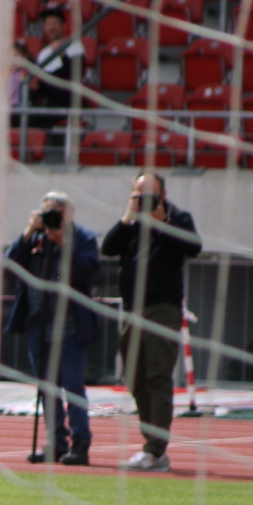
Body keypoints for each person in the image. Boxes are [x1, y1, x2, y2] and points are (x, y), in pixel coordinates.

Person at [101, 170, 201, 473]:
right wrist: (127, 216)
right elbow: (108, 247)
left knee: (158, 376)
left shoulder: (178, 217)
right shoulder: (132, 223)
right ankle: (152, 446)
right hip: (133, 310)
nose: (144, 200)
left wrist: (162, 221)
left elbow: (194, 247)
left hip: (162, 309)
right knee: (135, 377)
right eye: (138, 194)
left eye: (149, 194)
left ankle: (156, 450)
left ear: (163, 195)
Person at [6, 189, 98, 466]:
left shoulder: (82, 238)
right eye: (46, 212)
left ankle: (80, 442)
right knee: (47, 387)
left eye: (56, 213)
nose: (51, 218)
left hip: (70, 324)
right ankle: (56, 442)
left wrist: (62, 243)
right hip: (39, 322)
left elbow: (87, 271)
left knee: (72, 385)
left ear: (68, 214)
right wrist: (27, 234)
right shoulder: (36, 237)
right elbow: (11, 264)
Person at [27, 7, 83, 149]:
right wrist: (36, 86)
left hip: (67, 101)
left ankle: (38, 152)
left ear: (63, 26)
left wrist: (62, 54)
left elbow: (72, 78)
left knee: (32, 117)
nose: (52, 27)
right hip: (48, 102)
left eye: (55, 23)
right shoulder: (43, 53)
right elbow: (43, 84)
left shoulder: (75, 48)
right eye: (48, 23)